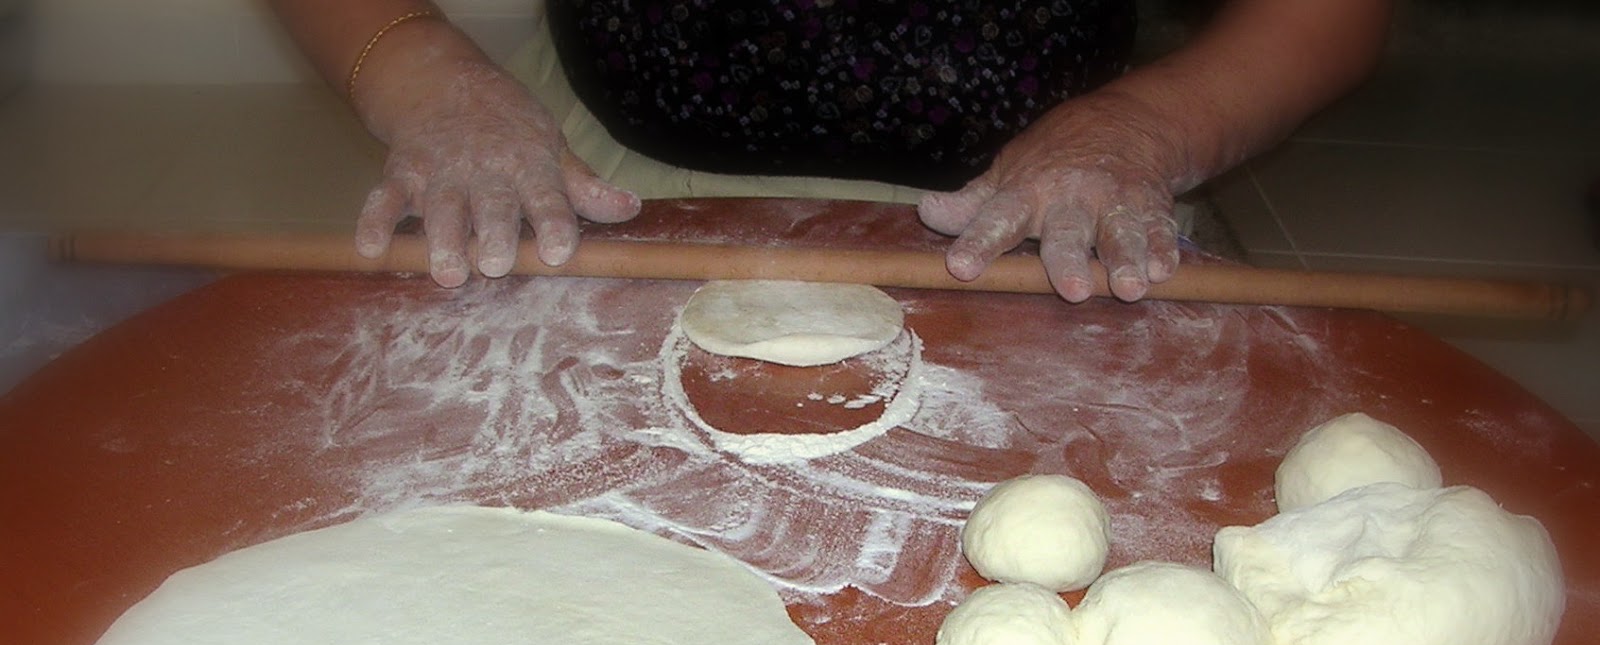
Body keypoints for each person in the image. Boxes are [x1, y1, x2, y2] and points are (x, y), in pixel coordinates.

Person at [269, 0, 1390, 299]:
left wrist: (1141, 131)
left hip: (1067, 208)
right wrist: (426, 78)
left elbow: (1318, 16)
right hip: (599, 186)